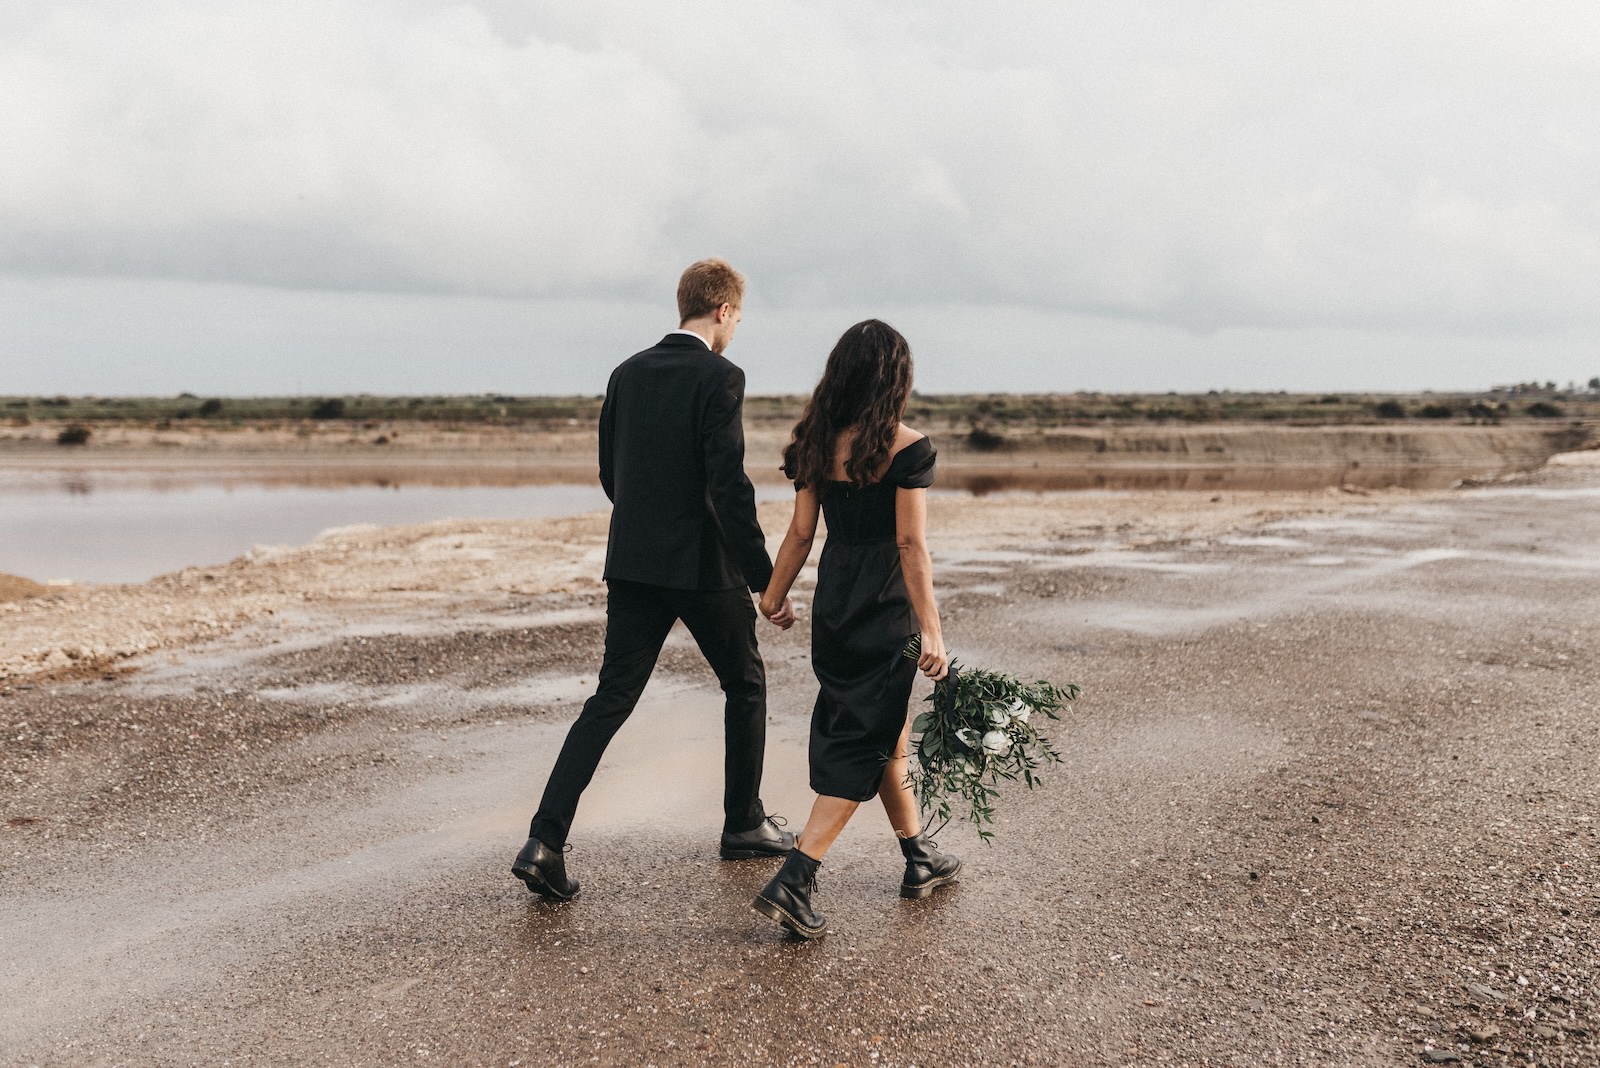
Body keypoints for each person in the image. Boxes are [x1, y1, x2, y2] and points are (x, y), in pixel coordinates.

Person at [511, 259, 795, 901]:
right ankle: (743, 823)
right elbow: (728, 485)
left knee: (610, 700)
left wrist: (645, 527)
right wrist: (765, 578)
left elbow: (614, 475)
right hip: (701, 568)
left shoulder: (626, 372)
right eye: (739, 317)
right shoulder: (722, 376)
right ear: (723, 310)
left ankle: (543, 841)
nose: (737, 329)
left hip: (634, 564)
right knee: (745, 683)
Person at [750, 319, 961, 939]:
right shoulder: (907, 447)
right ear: (895, 378)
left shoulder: (815, 443)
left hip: (836, 605)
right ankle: (796, 875)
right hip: (884, 607)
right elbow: (909, 543)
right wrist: (933, 632)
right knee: (865, 740)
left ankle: (918, 856)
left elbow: (799, 534)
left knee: (879, 725)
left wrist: (773, 596)